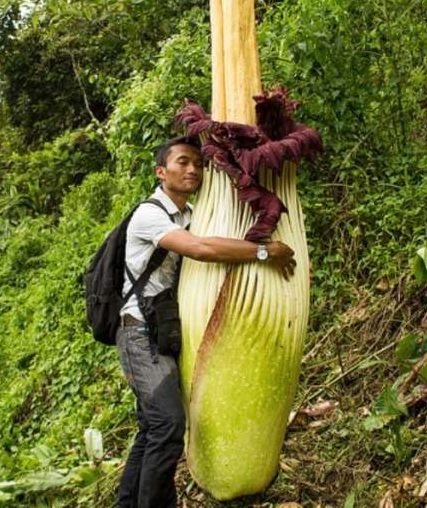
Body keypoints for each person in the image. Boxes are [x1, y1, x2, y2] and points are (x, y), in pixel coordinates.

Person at [116, 135, 296, 507]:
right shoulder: (149, 215)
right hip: (137, 331)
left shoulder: (192, 214)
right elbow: (201, 248)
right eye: (182, 162)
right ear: (160, 171)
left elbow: (216, 238)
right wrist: (265, 251)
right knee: (167, 424)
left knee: (152, 429)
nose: (193, 169)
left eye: (198, 163)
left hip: (164, 330)